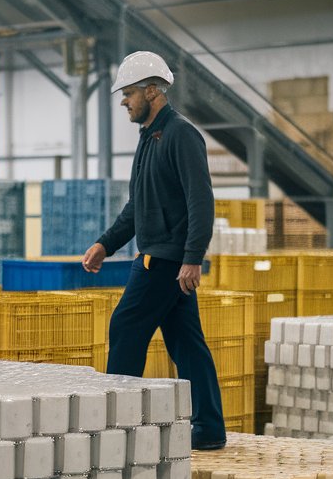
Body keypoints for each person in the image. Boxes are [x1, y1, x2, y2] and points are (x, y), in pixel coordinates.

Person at [82, 51, 226, 451]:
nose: (124, 101)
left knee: (126, 327)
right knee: (187, 344)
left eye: (128, 93)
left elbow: (202, 200)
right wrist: (105, 243)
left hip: (164, 261)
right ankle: (210, 429)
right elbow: (137, 205)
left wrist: (192, 257)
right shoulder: (150, 138)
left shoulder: (181, 134)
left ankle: (117, 427)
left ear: (152, 91)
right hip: (162, 258)